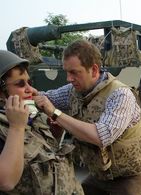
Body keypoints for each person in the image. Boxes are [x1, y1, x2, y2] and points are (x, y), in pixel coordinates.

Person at [33, 39, 141, 195]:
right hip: (100, 174)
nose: (69, 78)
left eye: (74, 72)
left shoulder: (120, 94)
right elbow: (47, 98)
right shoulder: (73, 91)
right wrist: (28, 92)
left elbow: (102, 136)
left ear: (94, 70)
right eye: (67, 72)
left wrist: (55, 113)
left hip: (127, 177)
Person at [0, 50, 84, 194]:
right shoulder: (13, 124)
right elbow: (6, 181)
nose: (31, 90)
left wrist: (55, 135)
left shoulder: (31, 114)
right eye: (20, 84)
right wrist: (17, 128)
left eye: (29, 82)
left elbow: (41, 157)